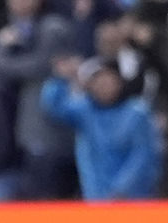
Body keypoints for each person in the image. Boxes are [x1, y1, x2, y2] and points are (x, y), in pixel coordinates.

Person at [40, 55, 160, 201]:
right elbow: (54, 107)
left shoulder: (136, 113)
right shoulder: (85, 111)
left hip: (131, 199)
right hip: (95, 197)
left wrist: (121, 190)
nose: (103, 85)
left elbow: (143, 155)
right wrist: (60, 79)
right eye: (97, 81)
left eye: (109, 79)